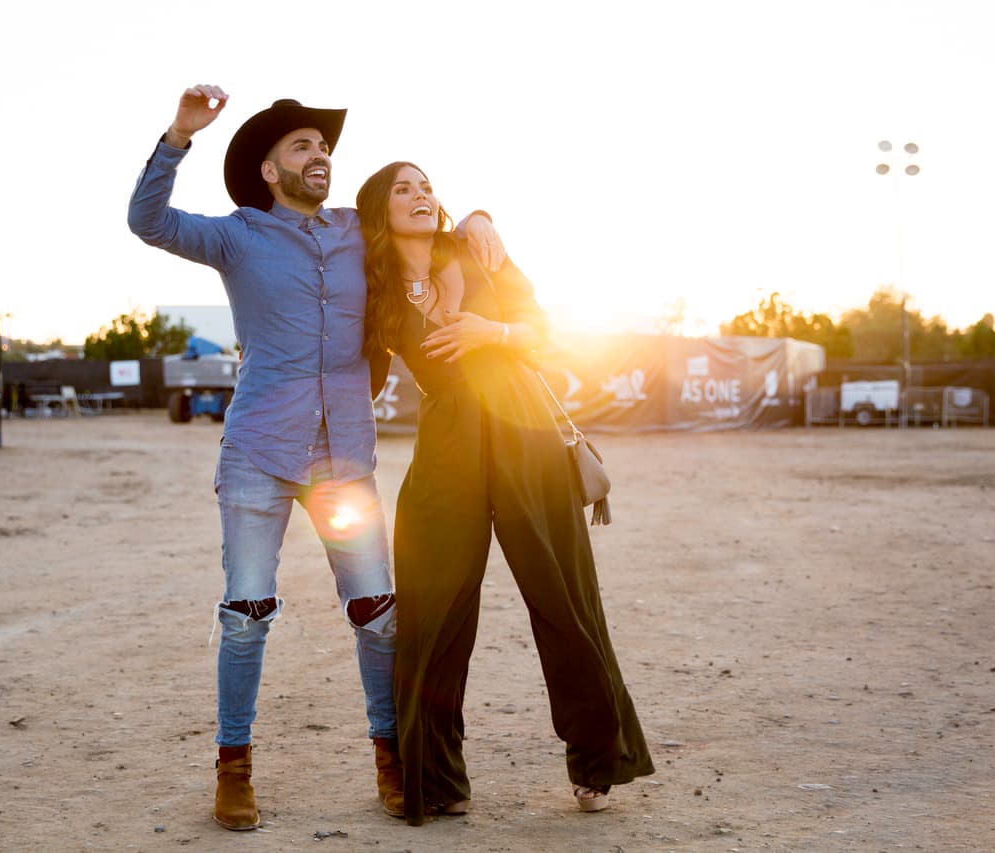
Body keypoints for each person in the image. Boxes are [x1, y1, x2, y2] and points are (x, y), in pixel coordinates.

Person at [126, 85, 506, 831]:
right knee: (245, 612)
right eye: (301, 147)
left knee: (378, 616)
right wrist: (178, 134)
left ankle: (391, 761)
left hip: (344, 460)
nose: (320, 155)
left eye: (324, 146)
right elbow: (147, 221)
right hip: (259, 453)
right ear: (270, 171)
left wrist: (478, 216)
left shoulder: (356, 232)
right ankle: (232, 768)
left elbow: (423, 221)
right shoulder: (238, 236)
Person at [357, 162, 656, 825]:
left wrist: (486, 331)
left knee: (562, 594)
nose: (421, 195)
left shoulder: (480, 246)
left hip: (523, 426)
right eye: (403, 188)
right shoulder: (374, 293)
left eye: (426, 184)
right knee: (435, 607)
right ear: (379, 212)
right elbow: (354, 376)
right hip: (447, 439)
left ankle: (596, 762)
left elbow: (541, 331)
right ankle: (436, 777)